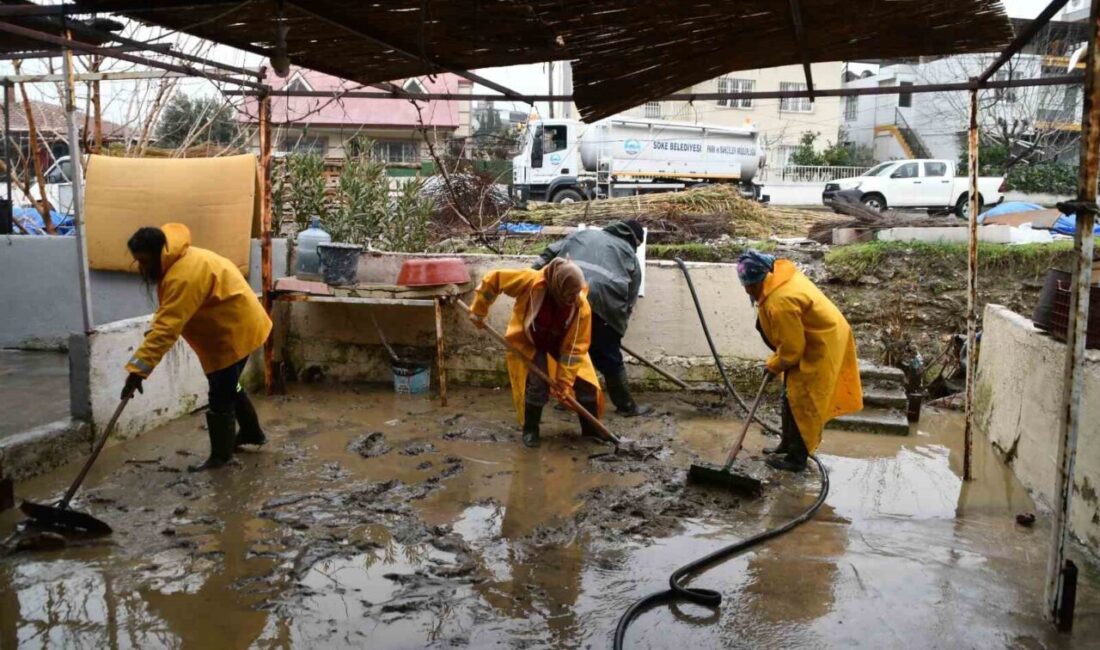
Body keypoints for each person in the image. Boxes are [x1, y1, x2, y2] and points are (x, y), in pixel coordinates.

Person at [122, 223, 273, 471]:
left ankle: (221, 457)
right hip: (236, 325)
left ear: (159, 253)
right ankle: (251, 432)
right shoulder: (178, 260)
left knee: (220, 394)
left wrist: (137, 371)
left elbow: (167, 328)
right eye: (137, 261)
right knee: (230, 385)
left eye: (144, 261)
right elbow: (168, 316)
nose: (141, 268)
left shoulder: (183, 275)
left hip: (232, 333)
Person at [737, 250, 863, 472]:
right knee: (789, 395)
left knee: (803, 401)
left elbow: (793, 351)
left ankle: (796, 459)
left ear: (760, 279)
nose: (746, 290)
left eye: (750, 285)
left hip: (822, 344)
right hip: (809, 338)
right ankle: (786, 444)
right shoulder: (775, 279)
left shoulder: (780, 301)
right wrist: (778, 361)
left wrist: (774, 365)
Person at [468, 258, 604, 447]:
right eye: (570, 293)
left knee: (585, 382)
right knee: (538, 383)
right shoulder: (530, 281)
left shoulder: (581, 307)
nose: (575, 298)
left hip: (561, 343)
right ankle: (531, 430)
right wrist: (479, 310)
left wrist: (564, 383)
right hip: (531, 340)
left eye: (577, 292)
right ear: (559, 286)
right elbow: (494, 280)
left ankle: (591, 431)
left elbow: (574, 349)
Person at [532, 220, 651, 416]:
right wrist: (614, 331)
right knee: (609, 357)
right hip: (602, 308)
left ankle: (565, 399)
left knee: (566, 350)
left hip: (564, 298)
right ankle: (626, 406)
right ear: (634, 240)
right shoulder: (630, 254)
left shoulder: (583, 235)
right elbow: (629, 300)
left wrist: (531, 275)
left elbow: (549, 253)